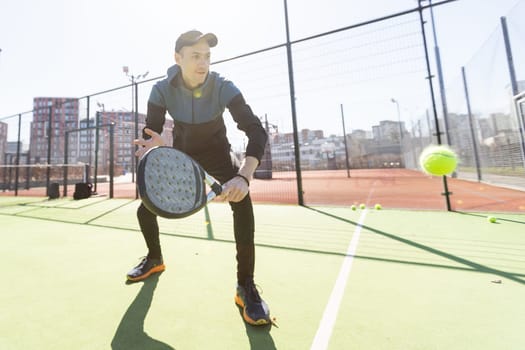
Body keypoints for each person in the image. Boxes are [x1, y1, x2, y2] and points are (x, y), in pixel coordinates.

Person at [127, 30, 271, 326]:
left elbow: (256, 131)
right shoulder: (160, 90)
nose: (203, 63)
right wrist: (153, 142)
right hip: (183, 159)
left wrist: (243, 177)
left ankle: (246, 285)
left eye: (207, 56)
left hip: (219, 156)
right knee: (146, 208)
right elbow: (150, 132)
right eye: (195, 56)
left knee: (243, 204)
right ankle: (155, 259)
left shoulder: (223, 86)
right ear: (177, 58)